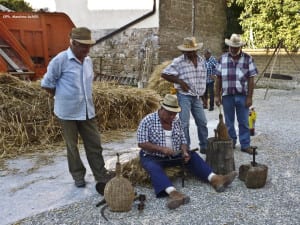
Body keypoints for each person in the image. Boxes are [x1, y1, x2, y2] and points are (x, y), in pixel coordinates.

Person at [41, 27, 113, 188]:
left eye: (89, 46)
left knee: (94, 144)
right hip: (67, 112)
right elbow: (47, 84)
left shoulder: (88, 61)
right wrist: (61, 97)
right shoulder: (60, 61)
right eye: (83, 46)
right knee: (72, 147)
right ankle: (78, 176)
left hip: (87, 110)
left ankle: (100, 175)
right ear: (73, 43)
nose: (87, 50)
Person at [137, 94, 237, 210]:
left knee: (192, 155)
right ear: (162, 109)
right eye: (170, 114)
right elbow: (141, 143)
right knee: (153, 167)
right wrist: (161, 149)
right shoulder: (147, 121)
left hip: (173, 154)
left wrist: (184, 151)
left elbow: (183, 140)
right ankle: (174, 194)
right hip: (153, 156)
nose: (172, 117)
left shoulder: (176, 121)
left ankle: (215, 179)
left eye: (175, 114)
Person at [161, 37, 208, 153]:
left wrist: (204, 97)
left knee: (202, 122)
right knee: (184, 123)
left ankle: (205, 146)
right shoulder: (178, 61)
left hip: (197, 97)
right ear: (183, 52)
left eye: (192, 51)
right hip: (184, 96)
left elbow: (202, 80)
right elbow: (164, 74)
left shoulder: (201, 61)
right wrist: (180, 82)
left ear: (196, 50)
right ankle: (185, 148)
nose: (189, 53)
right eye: (187, 51)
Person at [215, 34, 258, 154]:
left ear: (240, 47)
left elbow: (251, 79)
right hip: (227, 95)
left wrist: (249, 97)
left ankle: (245, 144)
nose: (233, 49)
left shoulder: (248, 59)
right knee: (229, 122)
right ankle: (231, 142)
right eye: (231, 47)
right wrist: (217, 96)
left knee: (244, 121)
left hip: (242, 95)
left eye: (235, 47)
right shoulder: (222, 59)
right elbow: (218, 79)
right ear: (228, 46)